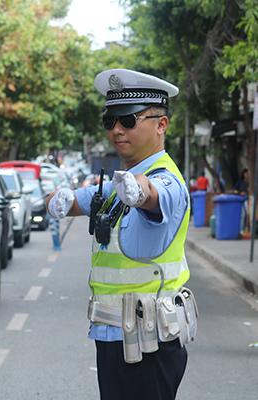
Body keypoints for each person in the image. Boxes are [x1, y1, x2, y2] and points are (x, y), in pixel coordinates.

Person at [46, 69, 197, 400]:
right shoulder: (119, 185)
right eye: (110, 120)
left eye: (128, 120)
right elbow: (76, 201)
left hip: (149, 342)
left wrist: (140, 191)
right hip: (116, 336)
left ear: (161, 124)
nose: (116, 130)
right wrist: (62, 200)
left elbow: (152, 195)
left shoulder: (165, 180)